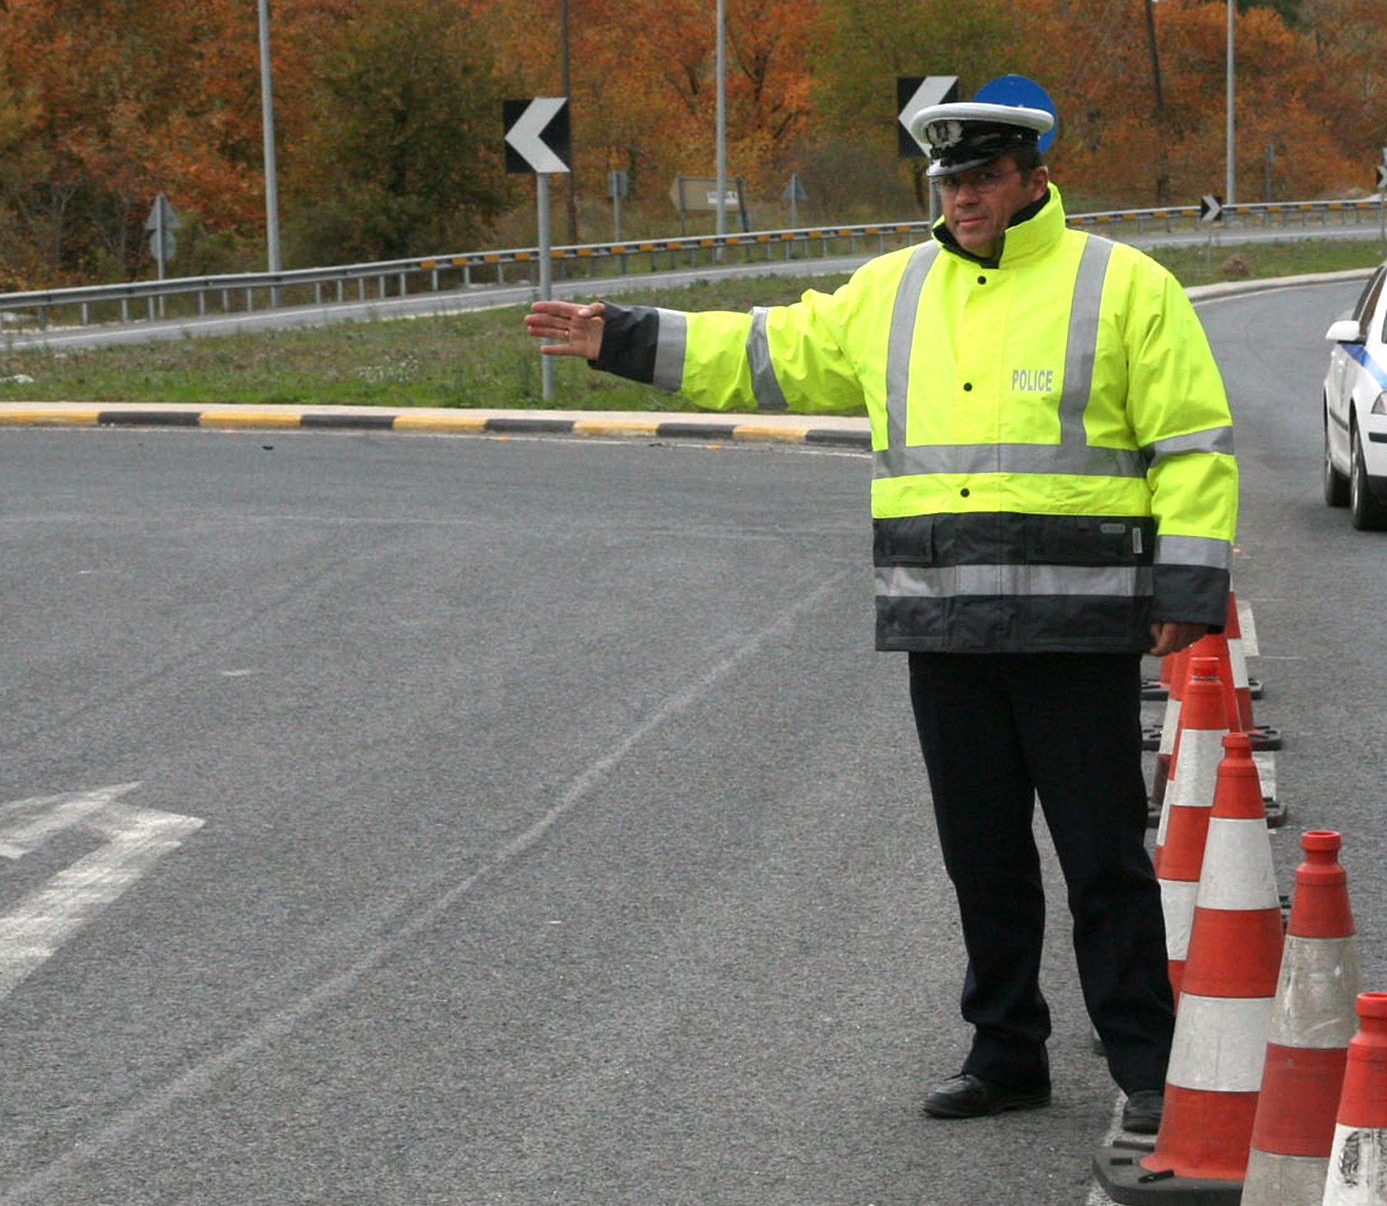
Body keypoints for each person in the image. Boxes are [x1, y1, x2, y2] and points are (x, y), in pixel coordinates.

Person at [526, 76, 1236, 1129]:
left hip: (1075, 626)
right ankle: (1007, 1052)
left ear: (1036, 178)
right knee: (980, 858)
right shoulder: (893, 291)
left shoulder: (1124, 287)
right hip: (943, 624)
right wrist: (618, 338)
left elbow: (1191, 442)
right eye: (949, 180)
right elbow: (763, 352)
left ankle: (1146, 1063)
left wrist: (1186, 587)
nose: (964, 197)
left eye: (984, 176)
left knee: (1102, 858)